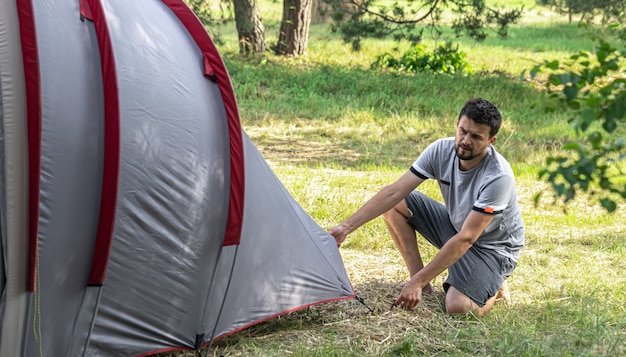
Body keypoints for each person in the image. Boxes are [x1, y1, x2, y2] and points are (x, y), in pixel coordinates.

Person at [329, 98, 524, 316]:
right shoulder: (440, 150)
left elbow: (467, 238)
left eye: (476, 136)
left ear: (491, 141)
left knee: (458, 307)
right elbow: (394, 192)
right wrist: (345, 228)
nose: (465, 140)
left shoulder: (498, 176)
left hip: (491, 249)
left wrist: (417, 282)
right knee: (396, 204)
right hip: (458, 228)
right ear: (457, 125)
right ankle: (424, 288)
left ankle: (493, 286)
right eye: (462, 131)